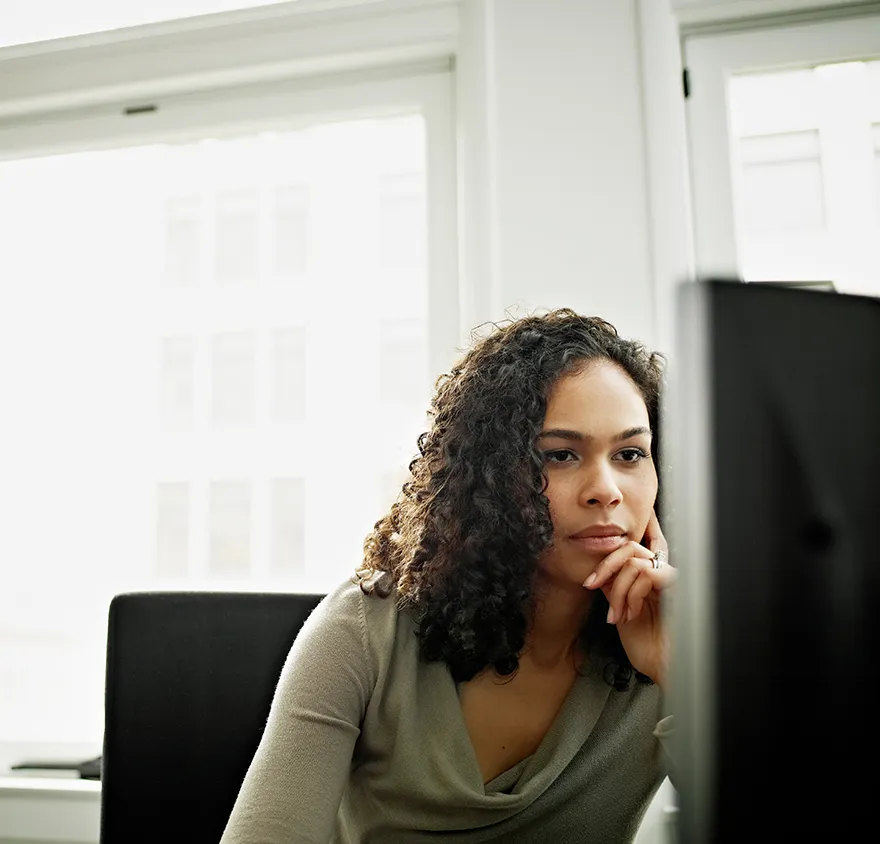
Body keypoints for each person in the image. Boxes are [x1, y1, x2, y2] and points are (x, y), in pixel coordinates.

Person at [220, 308, 676, 844]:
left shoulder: (672, 637)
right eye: (559, 455)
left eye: (629, 453)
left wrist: (682, 674)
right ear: (488, 477)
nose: (606, 489)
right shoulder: (365, 631)